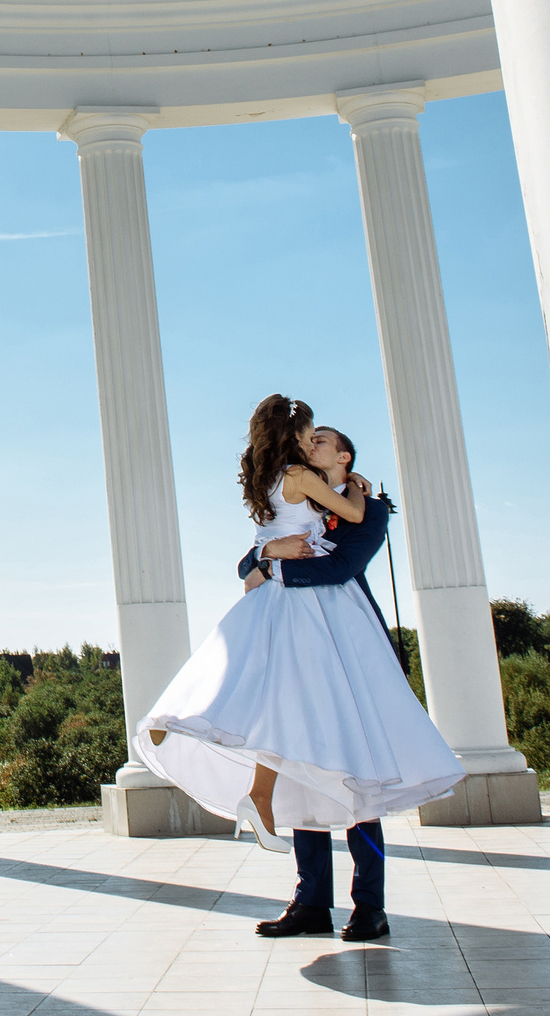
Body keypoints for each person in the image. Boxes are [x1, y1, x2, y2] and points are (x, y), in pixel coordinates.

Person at [132, 395, 461, 944]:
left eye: (322, 441)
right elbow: (248, 561)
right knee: (300, 752)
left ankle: (369, 907)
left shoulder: (371, 509)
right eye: (309, 438)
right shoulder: (299, 483)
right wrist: (267, 556)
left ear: (346, 456)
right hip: (303, 636)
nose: (312, 444)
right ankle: (310, 903)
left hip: (345, 648)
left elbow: (342, 566)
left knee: (355, 773)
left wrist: (275, 566)